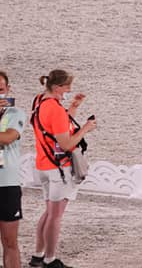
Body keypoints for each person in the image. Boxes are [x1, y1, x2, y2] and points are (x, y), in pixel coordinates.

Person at [30, 70, 96, 268]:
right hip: (59, 169)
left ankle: (37, 255)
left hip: (43, 164)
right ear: (57, 87)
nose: (69, 90)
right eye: (67, 87)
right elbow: (66, 143)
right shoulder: (56, 109)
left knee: (49, 212)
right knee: (55, 216)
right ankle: (50, 259)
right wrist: (86, 128)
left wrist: (73, 107)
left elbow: (55, 126)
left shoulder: (39, 100)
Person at [0, 72, 26, 268]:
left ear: (8, 89)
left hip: (6, 185)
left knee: (10, 242)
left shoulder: (16, 113)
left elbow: (8, 137)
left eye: (0, 90)